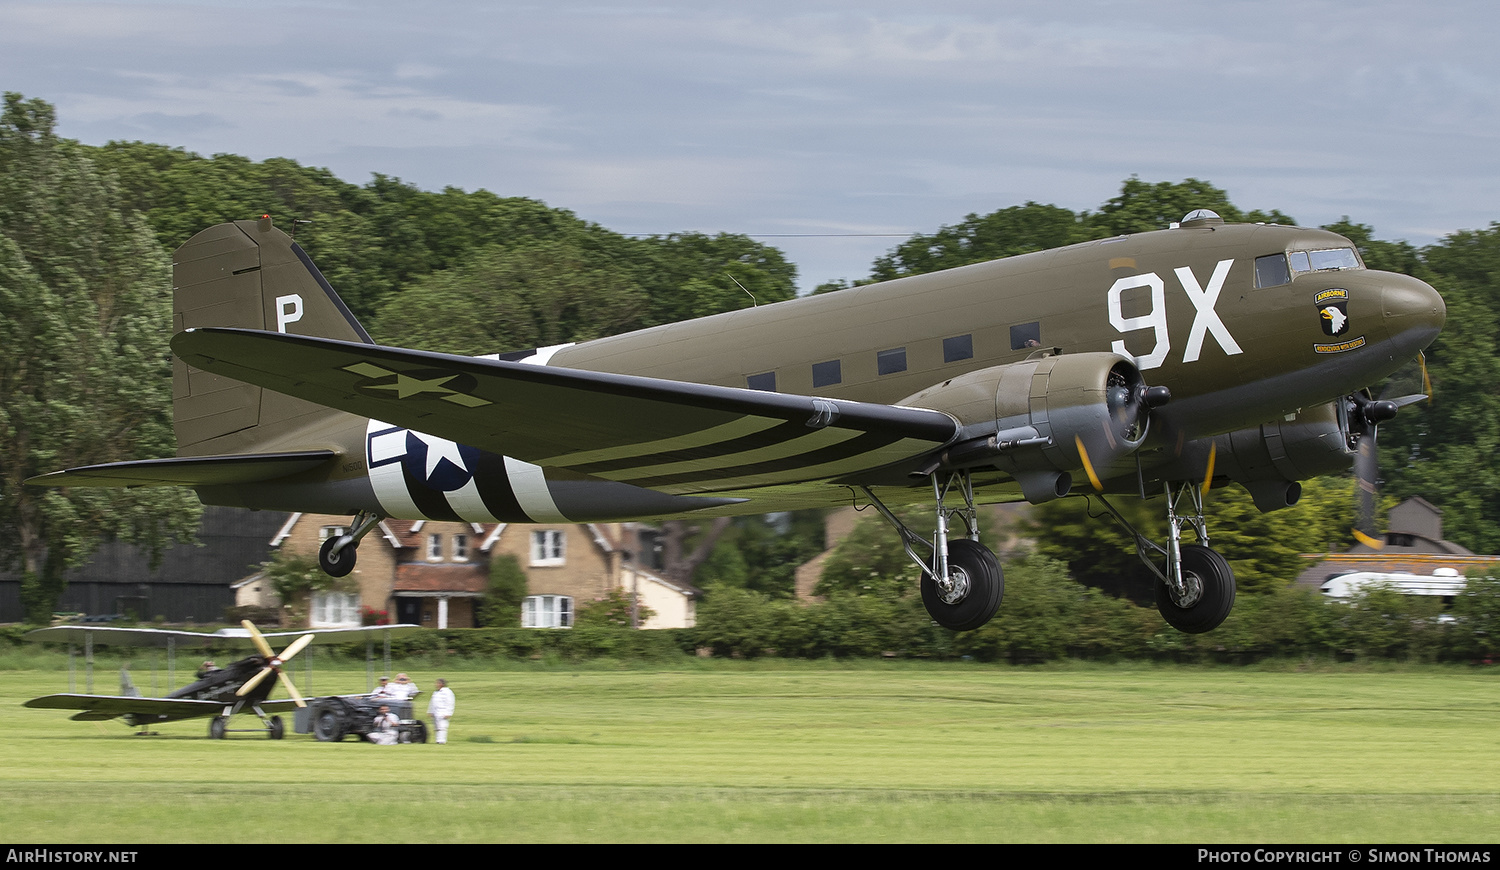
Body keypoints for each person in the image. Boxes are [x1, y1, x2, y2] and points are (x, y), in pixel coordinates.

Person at [427, 678, 455, 744]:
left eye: (437, 683)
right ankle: (437, 740)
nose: (436, 685)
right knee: (436, 727)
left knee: (442, 727)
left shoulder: (447, 692)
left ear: (441, 684)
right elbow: (432, 702)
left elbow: (450, 703)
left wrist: (449, 713)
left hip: (443, 711)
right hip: (436, 711)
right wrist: (430, 711)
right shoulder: (436, 692)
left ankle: (442, 740)